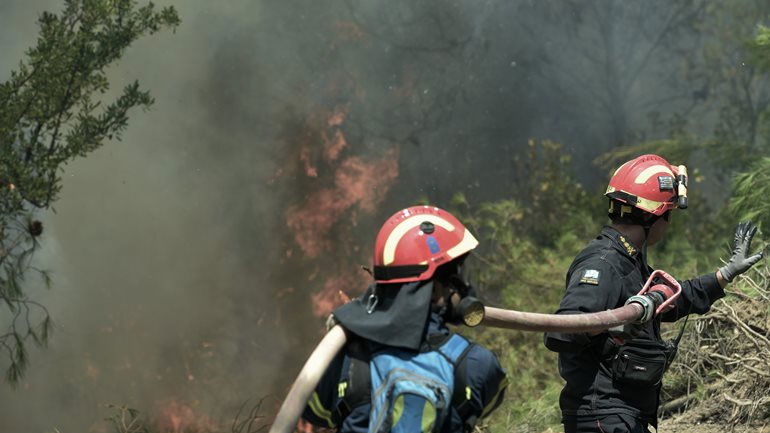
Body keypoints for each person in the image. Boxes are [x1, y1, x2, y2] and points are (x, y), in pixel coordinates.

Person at [544, 154, 765, 433]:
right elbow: (561, 332)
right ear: (654, 216)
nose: (668, 223)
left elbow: (669, 300)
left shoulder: (628, 261)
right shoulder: (603, 263)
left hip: (623, 415)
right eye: (668, 214)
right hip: (603, 416)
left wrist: (724, 275)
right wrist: (617, 322)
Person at [302, 205, 508, 433]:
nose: (461, 286)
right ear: (436, 286)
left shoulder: (345, 359)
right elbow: (491, 399)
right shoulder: (477, 363)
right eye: (454, 275)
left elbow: (315, 411)